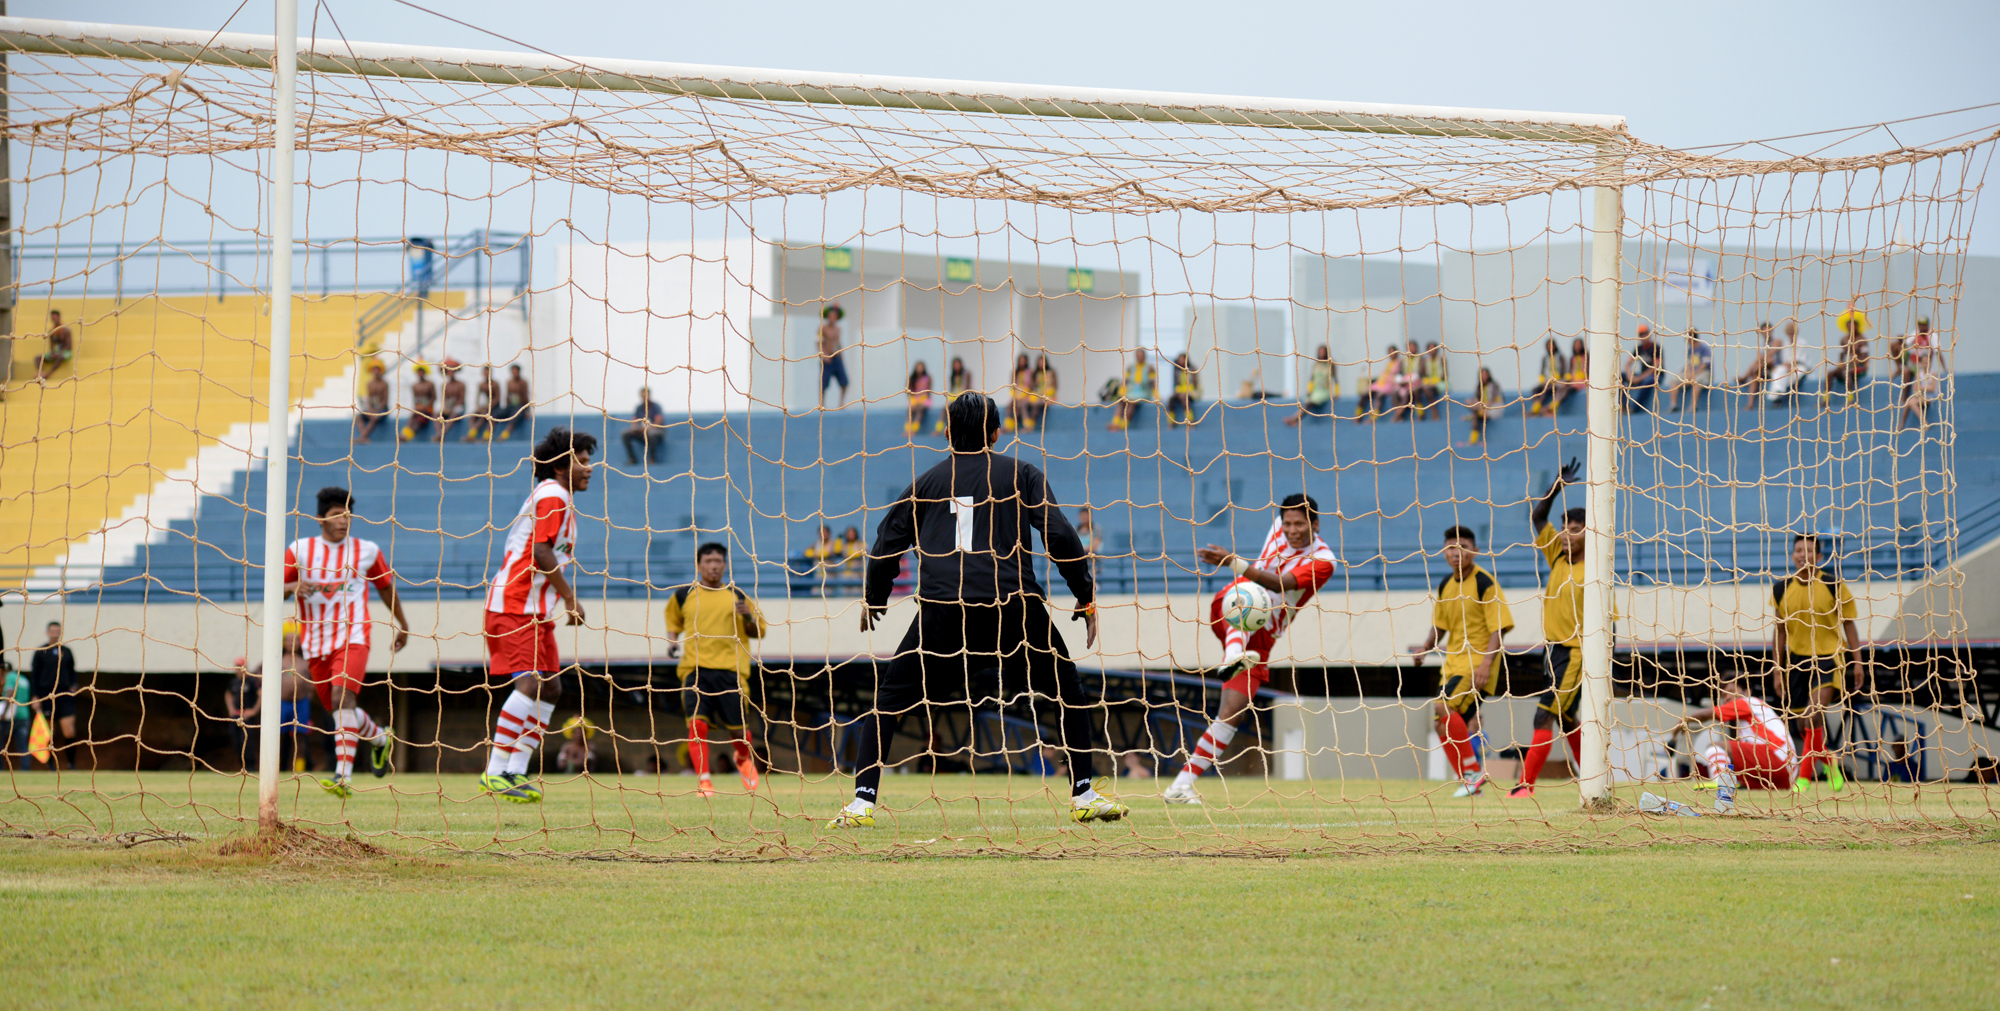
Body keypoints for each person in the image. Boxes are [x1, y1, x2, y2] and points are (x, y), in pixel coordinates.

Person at [834, 393, 1127, 826]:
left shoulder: (925, 484)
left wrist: (875, 598)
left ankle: (862, 802)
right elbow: (1060, 535)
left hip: (942, 610)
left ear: (947, 432)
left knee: (889, 703)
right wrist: (1084, 595)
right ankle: (1083, 794)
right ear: (996, 433)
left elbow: (884, 547)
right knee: (1069, 693)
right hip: (1013, 607)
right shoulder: (1021, 473)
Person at [1163, 494, 1338, 804]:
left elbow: (1281, 583)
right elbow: (1260, 581)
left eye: (1300, 524)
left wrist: (1233, 561)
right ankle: (1233, 655)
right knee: (1249, 593)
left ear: (1316, 524)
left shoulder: (1323, 562)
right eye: (1287, 523)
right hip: (1231, 603)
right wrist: (1237, 567)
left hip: (1262, 638)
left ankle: (1180, 787)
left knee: (1232, 712)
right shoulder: (1277, 528)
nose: (1292, 530)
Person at [479, 428, 596, 802]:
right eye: (582, 459)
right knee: (528, 684)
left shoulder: (559, 497)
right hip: (513, 604)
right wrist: (570, 597)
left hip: (534, 611)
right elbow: (541, 551)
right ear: (563, 465)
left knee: (552, 686)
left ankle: (516, 770)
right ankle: (496, 770)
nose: (589, 468)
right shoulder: (553, 495)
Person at [285, 487, 411, 797]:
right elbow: (277, 590)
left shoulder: (367, 550)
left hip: (354, 635)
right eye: (335, 515)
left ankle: (343, 777)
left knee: (343, 697)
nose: (343, 521)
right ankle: (380, 738)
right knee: (340, 710)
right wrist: (291, 584)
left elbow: (384, 588)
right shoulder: (298, 550)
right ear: (319, 519)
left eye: (347, 515)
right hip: (314, 643)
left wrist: (403, 624)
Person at [1508, 460, 1603, 799]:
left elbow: (1611, 622)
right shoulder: (1557, 557)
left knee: (1543, 715)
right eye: (1564, 528)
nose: (1566, 534)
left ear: (1587, 534)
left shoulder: (1594, 571)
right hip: (1553, 651)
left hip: (1577, 654)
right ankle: (1590, 778)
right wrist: (1556, 487)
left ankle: (1525, 787)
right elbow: (1538, 518)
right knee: (1565, 719)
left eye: (1574, 529)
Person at [1408, 526, 1513, 797]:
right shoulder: (1445, 584)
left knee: (1443, 704)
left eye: (1463, 546)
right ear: (1445, 552)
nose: (1457, 553)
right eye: (1451, 548)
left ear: (1475, 551)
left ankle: (1473, 772)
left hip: (1476, 664)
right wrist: (1425, 647)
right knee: (1439, 723)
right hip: (1453, 664)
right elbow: (1440, 625)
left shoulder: (1484, 582)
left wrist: (1486, 665)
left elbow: (1498, 628)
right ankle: (1469, 781)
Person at [664, 542, 768, 796]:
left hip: (731, 672)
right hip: (695, 671)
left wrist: (748, 618)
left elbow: (759, 632)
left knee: (738, 730)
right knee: (696, 725)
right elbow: (673, 621)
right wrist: (672, 640)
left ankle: (743, 758)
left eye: (718, 561)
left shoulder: (738, 596)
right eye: (708, 561)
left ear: (725, 565)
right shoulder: (684, 594)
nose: (713, 565)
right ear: (698, 565)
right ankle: (704, 780)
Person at [1773, 532, 1860, 793]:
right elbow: (1779, 633)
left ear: (1819, 557)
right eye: (1799, 550)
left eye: (1809, 551)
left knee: (1813, 713)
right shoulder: (1781, 588)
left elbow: (1849, 625)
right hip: (1796, 662)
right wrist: (1778, 670)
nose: (1803, 555)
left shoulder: (1834, 584)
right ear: (1793, 555)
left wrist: (1858, 662)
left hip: (1829, 658)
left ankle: (1803, 778)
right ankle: (1829, 761)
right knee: (1802, 724)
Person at [1661, 673, 1798, 812]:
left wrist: (1683, 721)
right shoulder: (1749, 719)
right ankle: (1728, 787)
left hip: (1778, 758)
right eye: (1724, 695)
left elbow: (1706, 714)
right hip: (1785, 778)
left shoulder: (1748, 702)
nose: (1727, 697)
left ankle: (1721, 784)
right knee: (1731, 765)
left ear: (1747, 691)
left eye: (1731, 692)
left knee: (1716, 748)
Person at [28, 622, 80, 769]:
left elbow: (72, 671)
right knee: (48, 732)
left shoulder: (67, 651)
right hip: (46, 694)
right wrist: (35, 696)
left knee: (69, 730)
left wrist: (74, 686)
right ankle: (50, 766)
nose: (55, 634)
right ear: (48, 632)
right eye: (53, 631)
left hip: (64, 695)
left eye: (58, 631)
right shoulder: (41, 651)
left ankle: (71, 764)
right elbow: (34, 675)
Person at [1822, 310, 1871, 407]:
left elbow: (1864, 358)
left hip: (1858, 367)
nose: (1851, 327)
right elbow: (1841, 357)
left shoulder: (1862, 339)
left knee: (1846, 372)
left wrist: (1853, 362)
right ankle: (1825, 400)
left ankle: (1850, 400)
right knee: (1830, 374)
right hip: (1846, 366)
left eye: (1853, 325)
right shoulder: (1844, 340)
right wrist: (1841, 364)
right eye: (1849, 325)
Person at [1898, 329, 1941, 431]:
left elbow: (1932, 388)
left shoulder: (1932, 373)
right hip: (1922, 396)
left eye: (1927, 362)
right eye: (1924, 363)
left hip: (1930, 397)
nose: (1926, 365)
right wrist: (1922, 388)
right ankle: (1902, 424)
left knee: (1912, 402)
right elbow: (1915, 388)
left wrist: (1921, 388)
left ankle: (1925, 423)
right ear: (1921, 364)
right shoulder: (1919, 373)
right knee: (1909, 401)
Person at [224, 659, 263, 772]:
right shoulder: (234, 682)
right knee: (236, 741)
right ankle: (242, 765)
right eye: (237, 666)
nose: (239, 669)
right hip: (236, 717)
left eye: (241, 666)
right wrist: (231, 709)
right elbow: (228, 694)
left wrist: (253, 711)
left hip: (247, 718)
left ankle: (251, 766)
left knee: (246, 741)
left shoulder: (252, 681)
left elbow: (261, 695)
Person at [1286, 345, 1337, 427]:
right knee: (1306, 401)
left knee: (1310, 403)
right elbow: (1311, 379)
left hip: (1324, 391)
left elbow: (1336, 379)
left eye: (1323, 352)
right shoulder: (1316, 365)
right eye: (1320, 352)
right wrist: (1309, 390)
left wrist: (1337, 393)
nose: (1321, 353)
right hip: (1315, 391)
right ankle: (1295, 418)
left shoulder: (1330, 364)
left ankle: (1295, 419)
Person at [1109, 349, 1156, 431]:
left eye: (1141, 355)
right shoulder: (1131, 367)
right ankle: (1115, 422)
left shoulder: (1150, 368)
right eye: (1138, 355)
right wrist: (1121, 392)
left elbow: (1152, 383)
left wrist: (1156, 395)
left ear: (1145, 356)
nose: (1140, 357)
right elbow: (1125, 381)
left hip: (1144, 392)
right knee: (1122, 401)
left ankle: (1123, 424)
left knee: (1132, 402)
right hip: (1132, 391)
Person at [1355, 345, 1405, 423]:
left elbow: (1400, 375)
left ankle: (1374, 417)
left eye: (1393, 352)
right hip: (1380, 383)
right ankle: (1357, 416)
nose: (1392, 354)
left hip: (1390, 385)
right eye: (1390, 352)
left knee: (1379, 395)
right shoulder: (1388, 363)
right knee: (1365, 394)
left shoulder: (1400, 363)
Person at [1669, 329, 1713, 413]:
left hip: (1703, 373)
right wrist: (1688, 374)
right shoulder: (1689, 350)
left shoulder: (1704, 348)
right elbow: (1688, 364)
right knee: (1674, 379)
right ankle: (1673, 405)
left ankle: (1693, 406)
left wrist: (1694, 374)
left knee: (1697, 381)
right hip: (1692, 373)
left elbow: (1705, 364)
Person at [621, 386, 667, 466]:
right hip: (642, 433)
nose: (645, 397)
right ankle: (632, 459)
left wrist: (647, 429)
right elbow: (634, 421)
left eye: (646, 395)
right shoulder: (639, 408)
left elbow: (658, 422)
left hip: (655, 433)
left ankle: (652, 459)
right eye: (643, 395)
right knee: (625, 434)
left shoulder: (656, 407)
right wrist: (635, 429)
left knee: (653, 434)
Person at [1623, 324, 1661, 414]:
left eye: (1645, 334)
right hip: (1642, 375)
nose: (1643, 336)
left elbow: (1655, 367)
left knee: (1647, 382)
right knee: (1621, 376)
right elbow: (1628, 364)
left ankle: (1635, 409)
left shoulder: (1656, 347)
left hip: (1655, 376)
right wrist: (1630, 376)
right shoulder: (1639, 348)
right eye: (1641, 335)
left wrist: (1638, 378)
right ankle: (1624, 405)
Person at [4, 658, 34, 769]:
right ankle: (25, 768)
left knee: (2, 744)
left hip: (10, 716)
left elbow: (9, 695)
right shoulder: (23, 679)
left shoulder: (8, 678)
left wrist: (4, 713)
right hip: (24, 714)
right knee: (23, 745)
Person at [1463, 365, 1504, 448]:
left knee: (1477, 414)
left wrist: (1479, 406)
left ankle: (1474, 416)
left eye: (1485, 374)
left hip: (1494, 408)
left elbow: (1491, 401)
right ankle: (1473, 440)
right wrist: (1472, 403)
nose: (1483, 376)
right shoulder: (1478, 387)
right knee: (1470, 405)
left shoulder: (1494, 385)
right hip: (1482, 409)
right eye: (1481, 374)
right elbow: (1475, 399)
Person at [818, 305, 849, 410]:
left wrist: (842, 357)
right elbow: (818, 343)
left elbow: (838, 343)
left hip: (837, 358)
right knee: (823, 383)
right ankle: (822, 403)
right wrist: (824, 355)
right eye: (831, 316)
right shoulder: (822, 328)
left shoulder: (838, 329)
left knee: (844, 381)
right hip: (826, 359)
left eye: (834, 316)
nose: (833, 318)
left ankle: (841, 403)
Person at [1764, 320, 1803, 405]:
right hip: (1787, 366)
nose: (1790, 334)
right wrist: (1787, 366)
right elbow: (1785, 359)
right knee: (1779, 370)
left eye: (1791, 332)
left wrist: (1791, 365)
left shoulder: (1802, 343)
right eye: (1789, 332)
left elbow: (1801, 359)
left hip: (1800, 367)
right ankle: (1776, 395)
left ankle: (1782, 394)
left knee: (1792, 378)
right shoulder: (1786, 344)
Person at [1527, 337, 1567, 416]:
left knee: (1547, 389)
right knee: (1535, 390)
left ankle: (1546, 407)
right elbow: (1542, 371)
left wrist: (1555, 379)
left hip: (1557, 381)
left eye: (1552, 345)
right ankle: (1536, 406)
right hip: (1547, 381)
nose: (1550, 347)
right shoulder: (1545, 358)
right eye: (1548, 346)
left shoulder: (1560, 357)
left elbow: (1563, 370)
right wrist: (1542, 380)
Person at [933, 357, 973, 435]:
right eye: (955, 364)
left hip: (966, 397)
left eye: (958, 364)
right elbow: (952, 390)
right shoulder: (952, 376)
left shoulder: (966, 374)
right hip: (954, 397)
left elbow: (968, 389)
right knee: (945, 409)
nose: (956, 366)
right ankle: (938, 429)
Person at [1733, 322, 1777, 393]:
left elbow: (1771, 353)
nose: (1767, 333)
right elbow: (1758, 357)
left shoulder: (1777, 341)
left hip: (1774, 366)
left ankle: (1746, 376)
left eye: (1768, 331)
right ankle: (1750, 403)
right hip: (1763, 368)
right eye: (1764, 331)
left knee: (1768, 360)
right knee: (1755, 376)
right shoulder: (1761, 344)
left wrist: (1761, 360)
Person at [353, 361, 391, 443]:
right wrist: (370, 409)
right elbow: (369, 399)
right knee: (359, 417)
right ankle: (364, 436)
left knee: (374, 417)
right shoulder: (370, 383)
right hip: (372, 408)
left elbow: (385, 401)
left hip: (382, 409)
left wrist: (376, 410)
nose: (376, 371)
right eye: (374, 369)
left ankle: (362, 437)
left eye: (378, 369)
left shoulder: (384, 384)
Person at [462, 366, 503, 442]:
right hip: (486, 407)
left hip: (495, 407)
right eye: (485, 372)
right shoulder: (481, 385)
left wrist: (488, 406)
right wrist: (478, 407)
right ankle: (471, 434)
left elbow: (497, 399)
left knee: (486, 417)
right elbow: (478, 397)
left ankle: (485, 437)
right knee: (473, 416)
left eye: (488, 372)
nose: (486, 373)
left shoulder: (495, 384)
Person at [401, 364, 439, 442]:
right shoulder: (415, 385)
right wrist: (417, 407)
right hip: (419, 408)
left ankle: (408, 436)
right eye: (419, 371)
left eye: (422, 371)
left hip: (428, 409)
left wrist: (425, 406)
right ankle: (404, 433)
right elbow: (415, 399)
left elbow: (434, 397)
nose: (420, 373)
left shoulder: (430, 384)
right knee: (412, 418)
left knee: (419, 421)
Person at [33, 310, 73, 382]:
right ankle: (41, 373)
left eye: (55, 317)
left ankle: (48, 374)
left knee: (60, 356)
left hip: (65, 352)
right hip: (56, 352)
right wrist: (52, 353)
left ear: (59, 317)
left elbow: (69, 347)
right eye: (53, 318)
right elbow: (51, 347)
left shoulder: (66, 330)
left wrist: (58, 353)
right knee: (38, 357)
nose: (54, 319)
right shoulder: (52, 331)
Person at [1413, 341, 1448, 420]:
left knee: (1427, 389)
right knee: (1416, 390)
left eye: (1433, 348)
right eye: (1430, 348)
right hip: (1428, 382)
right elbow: (1422, 374)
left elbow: (1445, 375)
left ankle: (1434, 410)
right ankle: (1420, 411)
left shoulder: (1442, 359)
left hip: (1439, 383)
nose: (1432, 350)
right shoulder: (1425, 360)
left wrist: (1434, 381)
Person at [497, 364, 532, 441]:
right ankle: (486, 436)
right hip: (510, 406)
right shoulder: (509, 382)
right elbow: (507, 395)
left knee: (514, 418)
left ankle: (504, 436)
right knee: (494, 415)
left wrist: (528, 410)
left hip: (520, 406)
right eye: (513, 371)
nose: (515, 373)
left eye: (516, 371)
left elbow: (526, 397)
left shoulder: (523, 382)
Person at [435, 361, 468, 441]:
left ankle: (441, 434)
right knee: (436, 414)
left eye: (452, 370)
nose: (451, 373)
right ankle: (439, 433)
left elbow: (462, 399)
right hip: (448, 407)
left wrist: (452, 408)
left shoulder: (461, 384)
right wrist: (447, 408)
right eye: (449, 371)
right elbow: (444, 399)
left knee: (454, 413)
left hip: (459, 407)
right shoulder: (444, 385)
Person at [1003, 353, 1035, 433]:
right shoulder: (1015, 372)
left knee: (1021, 405)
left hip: (1027, 395)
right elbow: (1012, 385)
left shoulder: (1030, 372)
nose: (1022, 362)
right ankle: (1008, 426)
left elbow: (1032, 386)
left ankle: (1027, 426)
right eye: (1020, 360)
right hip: (1016, 395)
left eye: (1023, 360)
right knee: (1010, 405)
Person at [1028, 354, 1058, 430]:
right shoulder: (1036, 373)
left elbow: (1055, 386)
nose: (1041, 364)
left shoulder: (1051, 372)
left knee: (1038, 404)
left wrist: (1046, 393)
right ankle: (1027, 423)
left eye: (1043, 362)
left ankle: (1031, 424)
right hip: (1038, 396)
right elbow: (1032, 387)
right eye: (1040, 362)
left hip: (1049, 396)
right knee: (1028, 404)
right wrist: (1032, 376)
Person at [905, 361, 935, 435]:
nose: (919, 369)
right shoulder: (912, 378)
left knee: (920, 410)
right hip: (914, 399)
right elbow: (909, 391)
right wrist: (914, 401)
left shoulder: (928, 378)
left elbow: (928, 392)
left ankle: (914, 430)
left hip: (924, 399)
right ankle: (907, 430)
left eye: (921, 367)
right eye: (918, 367)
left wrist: (921, 401)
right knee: (910, 411)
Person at [1561, 337, 1589, 410]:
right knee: (1562, 387)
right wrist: (1567, 379)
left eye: (1579, 345)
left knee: (1568, 389)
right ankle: (1552, 405)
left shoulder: (1586, 356)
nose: (1577, 347)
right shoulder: (1572, 358)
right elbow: (1570, 372)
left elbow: (1588, 370)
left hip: (1583, 381)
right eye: (1576, 345)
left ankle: (1553, 406)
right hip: (1574, 380)